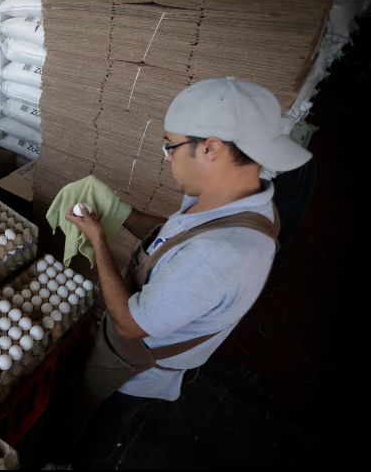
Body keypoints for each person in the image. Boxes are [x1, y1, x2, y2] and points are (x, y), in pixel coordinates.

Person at [61, 77, 313, 469]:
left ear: (210, 148)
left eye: (170, 144)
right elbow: (177, 239)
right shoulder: (234, 198)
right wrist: (121, 213)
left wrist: (97, 239)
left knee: (99, 430)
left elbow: (130, 323)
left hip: (136, 371)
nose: (166, 156)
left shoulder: (222, 254)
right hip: (145, 339)